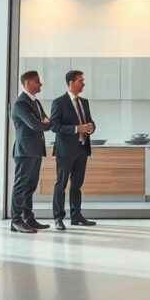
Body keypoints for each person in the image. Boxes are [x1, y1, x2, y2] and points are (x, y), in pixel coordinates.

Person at [49, 70, 97, 231]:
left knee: (77, 185)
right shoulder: (59, 102)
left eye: (83, 81)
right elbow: (54, 126)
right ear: (70, 82)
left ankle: (76, 216)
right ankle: (58, 218)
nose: (83, 83)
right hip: (65, 151)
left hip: (82, 149)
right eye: (80, 81)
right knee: (61, 185)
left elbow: (89, 122)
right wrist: (77, 128)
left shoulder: (84, 102)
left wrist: (91, 127)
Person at [9, 70, 51, 234]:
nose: (40, 84)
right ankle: (16, 221)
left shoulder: (36, 103)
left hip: (35, 150)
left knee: (30, 186)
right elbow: (37, 125)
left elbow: (46, 121)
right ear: (27, 83)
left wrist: (44, 122)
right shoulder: (20, 104)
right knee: (20, 186)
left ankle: (28, 217)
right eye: (37, 81)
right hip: (25, 151)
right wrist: (44, 123)